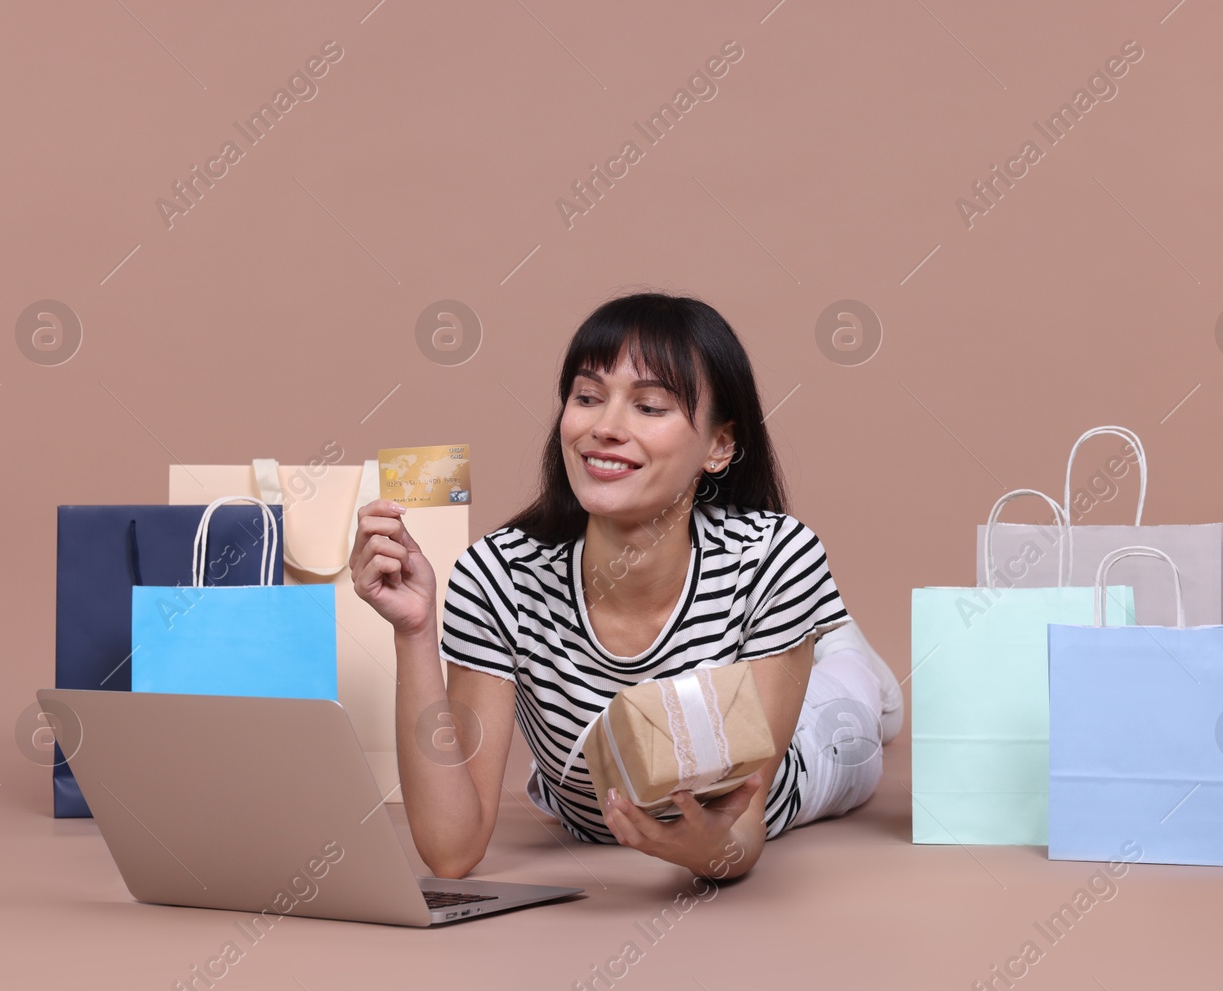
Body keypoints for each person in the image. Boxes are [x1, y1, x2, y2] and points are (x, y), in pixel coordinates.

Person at [349, 292, 903, 882]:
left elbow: (742, 826)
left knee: (859, 704)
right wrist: (413, 631)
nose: (605, 427)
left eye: (651, 407)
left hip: (814, 758)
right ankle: (814, 637)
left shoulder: (776, 557)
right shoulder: (496, 576)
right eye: (587, 398)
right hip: (595, 799)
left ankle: (839, 648)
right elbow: (450, 851)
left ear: (719, 446)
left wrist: (700, 851)